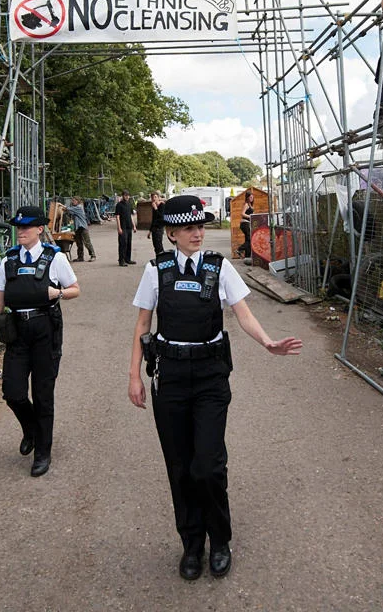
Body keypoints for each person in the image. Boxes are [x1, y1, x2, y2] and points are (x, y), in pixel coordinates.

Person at [127, 195, 302, 581]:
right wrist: (134, 376)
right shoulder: (156, 271)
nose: (198, 233)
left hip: (209, 377)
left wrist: (268, 342)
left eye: (200, 226)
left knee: (207, 466)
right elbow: (142, 325)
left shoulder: (219, 268)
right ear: (171, 233)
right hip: (171, 377)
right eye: (189, 228)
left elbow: (243, 314)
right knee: (180, 467)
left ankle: (219, 539)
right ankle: (192, 543)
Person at [0, 206, 80, 477]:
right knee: (12, 391)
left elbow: (75, 289)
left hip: (45, 329)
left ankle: (43, 453)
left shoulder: (54, 258)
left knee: (43, 393)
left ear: (39, 229)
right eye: (18, 227)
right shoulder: (9, 260)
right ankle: (32, 429)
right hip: (17, 332)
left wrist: (57, 293)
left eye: (26, 227)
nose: (21, 231)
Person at [66, 196, 95, 262]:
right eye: (72, 200)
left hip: (83, 227)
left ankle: (93, 255)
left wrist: (61, 206)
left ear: (78, 201)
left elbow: (67, 209)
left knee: (87, 243)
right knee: (79, 243)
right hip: (77, 228)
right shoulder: (75, 208)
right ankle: (80, 257)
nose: (72, 202)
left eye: (74, 200)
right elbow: (70, 212)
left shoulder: (79, 207)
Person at [115, 190, 135, 266]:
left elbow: (131, 216)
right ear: (123, 196)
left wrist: (134, 226)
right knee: (123, 243)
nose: (127, 197)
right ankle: (121, 260)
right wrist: (119, 227)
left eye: (128, 195)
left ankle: (128, 259)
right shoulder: (119, 205)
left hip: (129, 226)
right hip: (123, 227)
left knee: (129, 243)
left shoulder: (129, 204)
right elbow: (117, 216)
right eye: (125, 195)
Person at [237, 191, 254, 258]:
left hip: (247, 223)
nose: (252, 198)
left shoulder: (250, 205)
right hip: (245, 224)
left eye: (252, 197)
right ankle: (239, 249)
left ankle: (247, 257)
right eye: (250, 197)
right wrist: (250, 216)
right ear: (247, 198)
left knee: (248, 240)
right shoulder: (246, 204)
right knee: (249, 240)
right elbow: (242, 214)